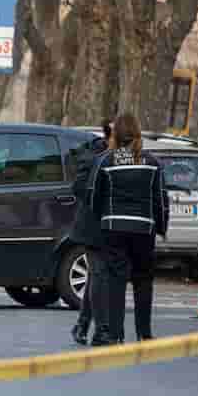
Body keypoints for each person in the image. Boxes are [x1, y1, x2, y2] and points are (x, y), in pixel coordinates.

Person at [88, 114, 168, 346]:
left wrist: (101, 219)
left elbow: (95, 195)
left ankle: (115, 334)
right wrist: (161, 226)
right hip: (144, 228)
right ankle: (144, 333)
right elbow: (160, 199)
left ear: (115, 135)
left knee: (117, 280)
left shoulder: (106, 160)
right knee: (143, 281)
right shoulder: (151, 162)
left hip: (114, 226)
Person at [68, 121, 112, 346]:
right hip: (91, 226)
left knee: (97, 274)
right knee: (98, 274)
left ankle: (82, 325)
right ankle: (101, 330)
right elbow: (78, 187)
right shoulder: (93, 155)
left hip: (109, 226)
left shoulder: (117, 155)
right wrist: (99, 200)